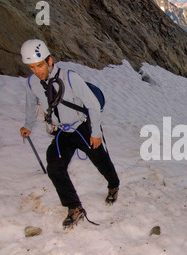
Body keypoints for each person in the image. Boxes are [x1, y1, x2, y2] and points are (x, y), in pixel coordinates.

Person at [19, 39, 120, 229]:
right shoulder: (32, 82)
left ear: (49, 61)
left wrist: (96, 133)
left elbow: (93, 105)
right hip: (61, 132)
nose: (37, 71)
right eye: (32, 67)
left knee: (100, 159)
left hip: (82, 128)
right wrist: (28, 125)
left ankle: (113, 184)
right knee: (55, 167)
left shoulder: (70, 77)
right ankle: (74, 207)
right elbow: (31, 104)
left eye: (39, 65)